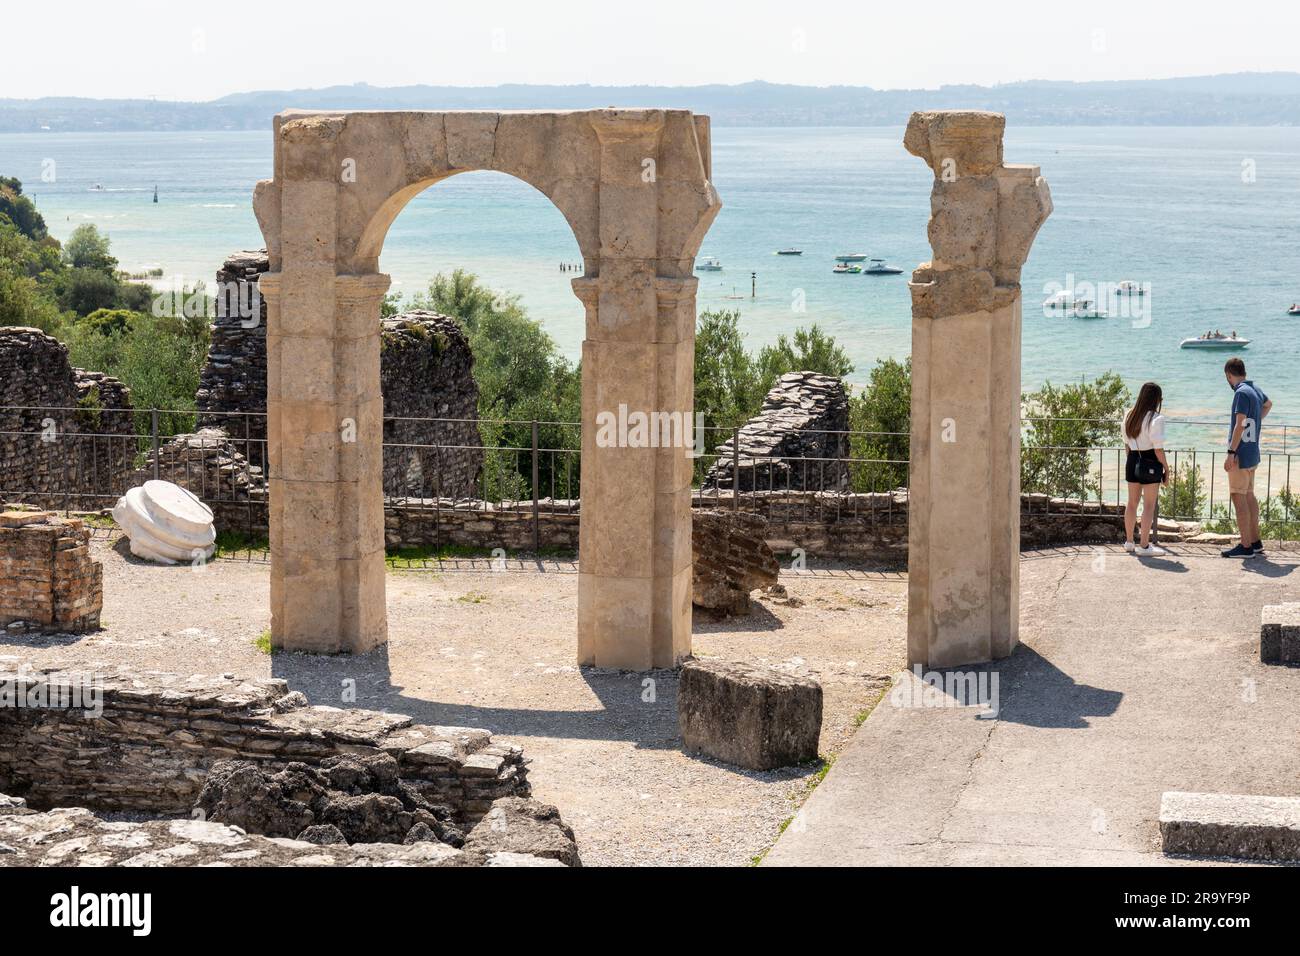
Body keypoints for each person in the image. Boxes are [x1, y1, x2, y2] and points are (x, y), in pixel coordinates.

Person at [1222, 357, 1272, 558]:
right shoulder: (1255, 389)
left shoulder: (1241, 393)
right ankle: (1255, 541)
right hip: (1253, 452)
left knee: (1237, 496)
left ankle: (1245, 546)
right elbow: (1268, 404)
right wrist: (1256, 420)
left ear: (1229, 375)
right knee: (1249, 495)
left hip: (1240, 454)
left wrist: (1231, 453)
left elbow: (1239, 424)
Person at [1123, 382, 1170, 556]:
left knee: (1132, 503)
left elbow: (1126, 444)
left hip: (1132, 458)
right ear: (1157, 399)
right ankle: (1144, 546)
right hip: (1150, 460)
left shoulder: (1129, 414)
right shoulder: (1156, 419)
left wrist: (1132, 461)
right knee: (1149, 505)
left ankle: (1129, 542)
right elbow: (1158, 448)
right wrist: (1166, 469)